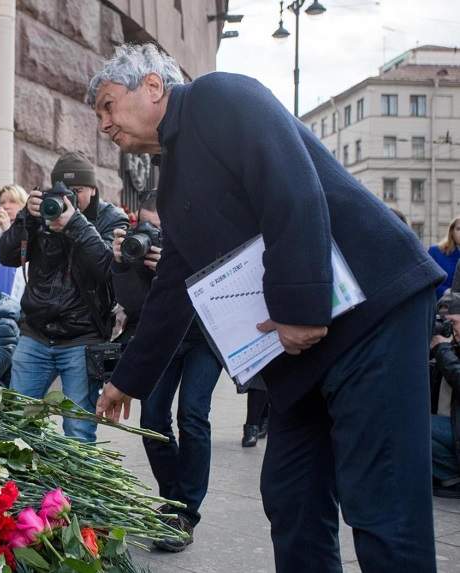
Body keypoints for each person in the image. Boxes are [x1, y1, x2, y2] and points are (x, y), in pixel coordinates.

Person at [89, 44, 444, 572]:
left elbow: (293, 189)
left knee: (382, 504)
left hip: (371, 315)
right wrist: (128, 380)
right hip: (299, 351)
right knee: (291, 496)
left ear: (153, 87)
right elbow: (171, 291)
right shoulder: (174, 183)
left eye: (108, 106)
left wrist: (301, 306)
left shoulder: (219, 96)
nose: (104, 126)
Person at [111, 192, 222, 551]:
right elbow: (133, 305)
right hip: (163, 338)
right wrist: (123, 265)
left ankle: (186, 512)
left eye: (160, 227)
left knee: (192, 413)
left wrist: (176, 269)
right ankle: (172, 501)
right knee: (153, 418)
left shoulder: (202, 237)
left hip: (205, 335)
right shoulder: (138, 252)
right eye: (146, 226)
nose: (153, 234)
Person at [0, 151, 129, 443]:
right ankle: (25, 487)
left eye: (78, 191)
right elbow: (6, 256)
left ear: (93, 189)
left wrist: (75, 224)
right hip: (35, 334)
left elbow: (106, 270)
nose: (70, 198)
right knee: (18, 423)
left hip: (82, 340)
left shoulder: (111, 218)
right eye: (65, 191)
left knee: (78, 431)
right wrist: (25, 219)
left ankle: (75, 490)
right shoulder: (43, 211)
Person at [430, 292, 460, 498]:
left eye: (454, 322)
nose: (450, 328)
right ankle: (449, 475)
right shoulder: (451, 348)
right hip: (451, 426)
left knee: (414, 424)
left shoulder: (447, 350)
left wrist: (443, 350)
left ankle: (453, 474)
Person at [428, 217, 460, 298]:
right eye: (459, 229)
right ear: (452, 231)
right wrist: (444, 291)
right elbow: (426, 281)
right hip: (440, 305)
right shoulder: (435, 252)